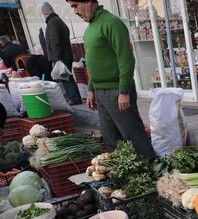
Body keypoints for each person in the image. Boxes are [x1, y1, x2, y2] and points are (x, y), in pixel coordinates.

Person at [66, 0, 156, 159]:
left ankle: (152, 172)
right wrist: (91, 90)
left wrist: (123, 91)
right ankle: (127, 175)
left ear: (89, 2)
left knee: (133, 136)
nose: (75, 11)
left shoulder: (112, 23)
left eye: (75, 5)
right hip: (100, 93)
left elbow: (126, 59)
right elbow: (93, 63)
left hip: (116, 91)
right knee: (111, 139)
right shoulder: (89, 30)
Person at [41, 2, 82, 105]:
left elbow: (55, 41)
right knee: (67, 77)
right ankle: (74, 97)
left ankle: (74, 98)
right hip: (65, 55)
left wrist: (57, 58)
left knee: (65, 78)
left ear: (45, 12)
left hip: (61, 56)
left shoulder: (52, 22)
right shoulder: (58, 20)